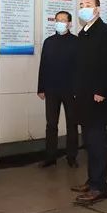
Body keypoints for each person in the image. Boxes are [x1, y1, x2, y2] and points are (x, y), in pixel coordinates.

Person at [70, 0, 107, 205]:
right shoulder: (84, 32)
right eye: (81, 5)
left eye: (88, 5)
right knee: (89, 141)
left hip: (98, 97)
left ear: (97, 9)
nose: (83, 8)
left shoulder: (105, 32)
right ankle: (92, 181)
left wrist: (100, 90)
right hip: (84, 96)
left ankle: (100, 187)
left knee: (98, 143)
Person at [37, 11, 79, 168]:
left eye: (63, 20)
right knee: (51, 125)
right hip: (51, 90)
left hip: (71, 90)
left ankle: (72, 157)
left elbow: (80, 68)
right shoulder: (49, 42)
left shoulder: (76, 42)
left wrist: (79, 89)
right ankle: (50, 157)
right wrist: (41, 88)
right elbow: (43, 66)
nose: (60, 22)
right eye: (58, 20)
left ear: (70, 24)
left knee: (72, 124)